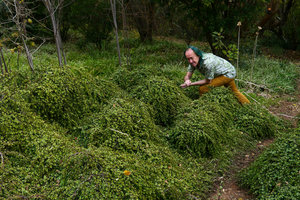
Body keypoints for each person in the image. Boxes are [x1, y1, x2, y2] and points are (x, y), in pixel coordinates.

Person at [180, 46, 250, 104]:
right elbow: (188, 75)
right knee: (234, 91)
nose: (190, 61)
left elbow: (208, 81)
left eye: (191, 58)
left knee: (203, 88)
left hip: (228, 73)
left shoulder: (208, 63)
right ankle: (248, 105)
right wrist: (187, 80)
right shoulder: (193, 62)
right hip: (225, 72)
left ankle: (203, 106)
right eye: (188, 59)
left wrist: (191, 84)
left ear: (198, 55)